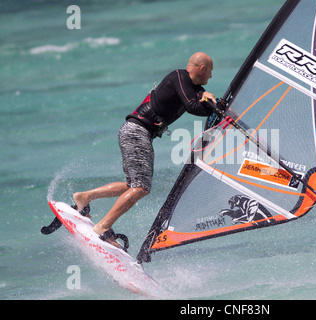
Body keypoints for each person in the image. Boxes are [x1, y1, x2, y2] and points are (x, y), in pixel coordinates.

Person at [73, 52, 216, 248]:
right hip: (136, 131)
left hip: (136, 132)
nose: (211, 77)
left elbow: (202, 110)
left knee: (132, 185)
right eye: (210, 72)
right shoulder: (179, 76)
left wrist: (209, 101)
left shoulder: (195, 89)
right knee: (141, 188)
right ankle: (103, 227)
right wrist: (204, 98)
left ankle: (84, 197)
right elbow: (192, 105)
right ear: (202, 69)